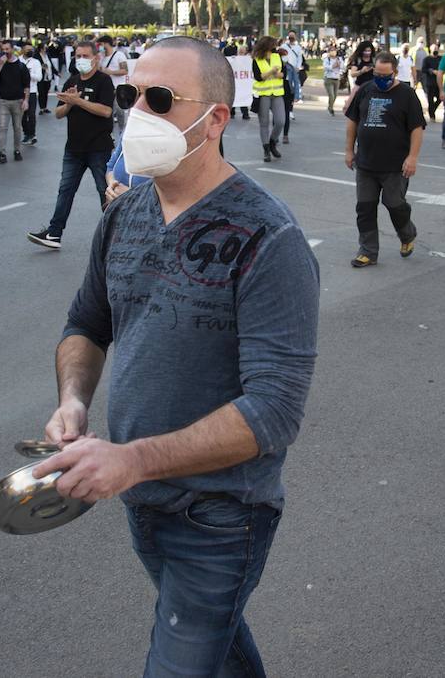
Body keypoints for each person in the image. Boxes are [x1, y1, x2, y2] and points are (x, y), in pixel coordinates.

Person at [31, 37, 319, 676]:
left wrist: (132, 459)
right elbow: (86, 323)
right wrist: (73, 401)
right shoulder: (124, 214)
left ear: (215, 120)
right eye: (132, 95)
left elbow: (273, 411)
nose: (137, 113)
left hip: (221, 513)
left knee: (182, 660)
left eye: (158, 100)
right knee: (217, 646)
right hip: (145, 500)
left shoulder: (270, 237)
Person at [27, 39, 115, 249]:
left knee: (105, 192)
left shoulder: (103, 81)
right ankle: (54, 234)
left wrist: (79, 101)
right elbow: (58, 113)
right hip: (74, 148)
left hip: (99, 148)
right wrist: (68, 102)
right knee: (65, 191)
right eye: (78, 56)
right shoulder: (72, 81)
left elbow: (106, 111)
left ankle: (116, 236)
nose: (81, 60)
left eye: (85, 56)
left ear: (96, 58)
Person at [345, 51, 425, 268]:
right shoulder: (365, 90)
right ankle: (368, 251)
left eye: (385, 75)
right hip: (366, 163)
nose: (380, 78)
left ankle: (407, 234)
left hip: (395, 166)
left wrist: (413, 157)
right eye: (377, 73)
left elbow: (417, 129)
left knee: (395, 204)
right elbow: (353, 121)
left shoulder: (407, 94)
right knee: (365, 207)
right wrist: (349, 151)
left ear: (395, 72)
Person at [0, 45, 31, 163]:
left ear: (12, 50)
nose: (5, 51)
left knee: (17, 128)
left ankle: (17, 151)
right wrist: (0, 64)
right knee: (3, 128)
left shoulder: (21, 66)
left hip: (18, 101)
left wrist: (26, 100)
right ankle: (2, 153)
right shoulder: (0, 64)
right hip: (3, 101)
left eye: (7, 49)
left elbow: (26, 85)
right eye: (3, 49)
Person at [251, 35, 286, 162]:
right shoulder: (256, 60)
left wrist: (278, 74)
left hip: (277, 94)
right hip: (263, 95)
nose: (275, 47)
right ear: (266, 46)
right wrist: (271, 72)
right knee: (264, 124)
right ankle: (266, 150)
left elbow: (284, 74)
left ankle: (272, 142)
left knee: (281, 121)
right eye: (273, 45)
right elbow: (258, 77)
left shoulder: (277, 57)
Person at [100, 36, 130, 128]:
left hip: (118, 88)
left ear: (105, 43)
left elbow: (125, 70)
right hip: (106, 89)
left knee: (120, 112)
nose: (99, 47)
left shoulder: (119, 55)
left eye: (100, 44)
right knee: (108, 113)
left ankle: (122, 133)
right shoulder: (102, 57)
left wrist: (111, 72)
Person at [21, 44, 43, 146]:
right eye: (28, 49)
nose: (30, 51)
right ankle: (26, 133)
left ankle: (32, 135)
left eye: (31, 49)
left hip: (32, 91)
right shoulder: (18, 61)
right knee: (22, 115)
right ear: (23, 50)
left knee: (31, 114)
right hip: (20, 92)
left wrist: (28, 74)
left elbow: (39, 77)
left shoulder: (36, 62)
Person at [421, 43, 442, 122]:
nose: (435, 50)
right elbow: (423, 69)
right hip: (429, 82)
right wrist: (432, 71)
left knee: (440, 98)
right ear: (431, 50)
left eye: (436, 49)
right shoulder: (426, 59)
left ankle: (432, 109)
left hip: (438, 82)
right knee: (430, 100)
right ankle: (432, 116)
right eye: (434, 49)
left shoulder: (441, 59)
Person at [322, 46, 346, 114]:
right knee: (331, 95)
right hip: (328, 78)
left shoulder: (339, 59)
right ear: (329, 52)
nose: (333, 52)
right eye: (331, 51)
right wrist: (333, 66)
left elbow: (343, 67)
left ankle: (330, 106)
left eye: (334, 50)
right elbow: (325, 67)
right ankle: (330, 108)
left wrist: (339, 65)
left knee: (335, 95)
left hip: (336, 78)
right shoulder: (327, 59)